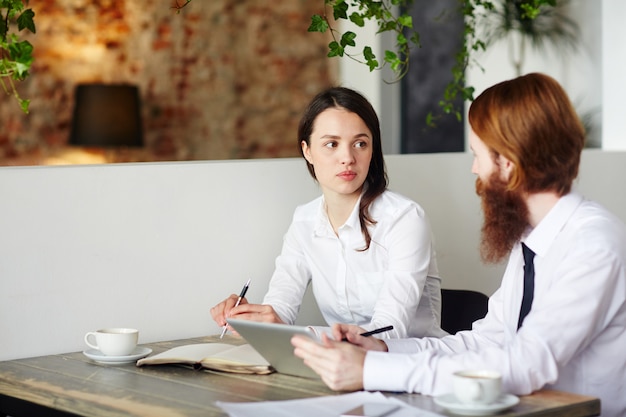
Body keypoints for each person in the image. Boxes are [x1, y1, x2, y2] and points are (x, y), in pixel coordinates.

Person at [291, 73, 626, 416]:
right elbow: (486, 340)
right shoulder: (531, 240)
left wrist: (369, 371)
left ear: (507, 163)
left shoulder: (592, 246)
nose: (474, 169)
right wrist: (380, 350)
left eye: (477, 155)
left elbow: (526, 363)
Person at [211, 86, 446, 339]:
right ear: (307, 151)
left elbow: (388, 331)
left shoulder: (404, 219)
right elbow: (280, 309)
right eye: (331, 144)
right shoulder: (304, 221)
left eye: (360, 143)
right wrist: (251, 319)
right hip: (339, 366)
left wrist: (302, 332)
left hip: (413, 366)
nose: (347, 157)